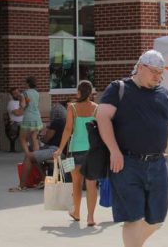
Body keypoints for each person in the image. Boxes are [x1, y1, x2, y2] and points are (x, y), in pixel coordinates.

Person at [96, 50, 168, 247]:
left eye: (161, 73)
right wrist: (114, 151)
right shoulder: (119, 89)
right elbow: (102, 117)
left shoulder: (164, 94)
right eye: (154, 72)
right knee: (133, 217)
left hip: (158, 164)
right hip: (127, 164)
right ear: (141, 67)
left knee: (157, 219)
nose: (158, 77)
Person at [53, 80, 98, 226]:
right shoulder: (96, 108)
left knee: (76, 184)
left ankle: (76, 212)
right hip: (92, 151)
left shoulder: (72, 107)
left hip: (75, 151)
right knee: (91, 184)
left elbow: (68, 129)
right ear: (91, 93)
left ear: (78, 92)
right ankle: (90, 217)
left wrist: (60, 149)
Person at [9, 107, 66, 192]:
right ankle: (44, 180)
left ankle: (22, 186)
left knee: (29, 156)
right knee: (34, 156)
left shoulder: (57, 122)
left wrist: (38, 137)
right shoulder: (66, 122)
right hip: (62, 150)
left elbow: (47, 139)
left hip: (55, 150)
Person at [19, 76, 43, 155]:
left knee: (22, 138)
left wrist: (20, 104)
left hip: (28, 117)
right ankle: (36, 156)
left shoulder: (24, 93)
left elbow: (23, 105)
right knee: (34, 137)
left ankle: (28, 155)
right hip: (37, 117)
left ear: (28, 83)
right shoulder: (37, 93)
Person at [5, 87, 25, 153]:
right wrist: (24, 108)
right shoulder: (11, 103)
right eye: (15, 93)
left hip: (25, 121)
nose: (17, 94)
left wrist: (22, 109)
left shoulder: (24, 100)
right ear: (12, 95)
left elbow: (31, 110)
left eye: (18, 92)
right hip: (16, 123)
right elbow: (18, 113)